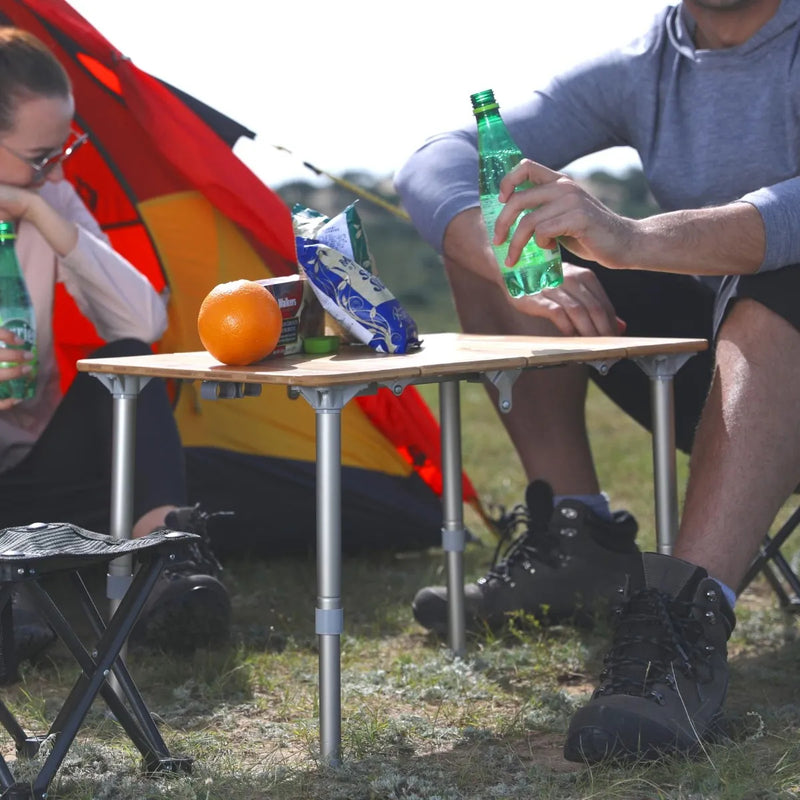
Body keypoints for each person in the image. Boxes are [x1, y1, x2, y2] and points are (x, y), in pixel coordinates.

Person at [395, 0, 800, 762]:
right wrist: (502, 247)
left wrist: (632, 236)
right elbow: (434, 158)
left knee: (784, 274)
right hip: (734, 382)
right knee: (494, 232)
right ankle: (575, 537)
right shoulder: (646, 64)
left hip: (783, 335)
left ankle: (686, 616)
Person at [0, 27, 231, 660]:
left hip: (34, 473)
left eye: (61, 152)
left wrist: (44, 214)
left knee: (123, 359)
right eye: (40, 156)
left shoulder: (49, 195)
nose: (55, 169)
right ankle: (8, 604)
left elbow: (143, 319)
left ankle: (167, 567)